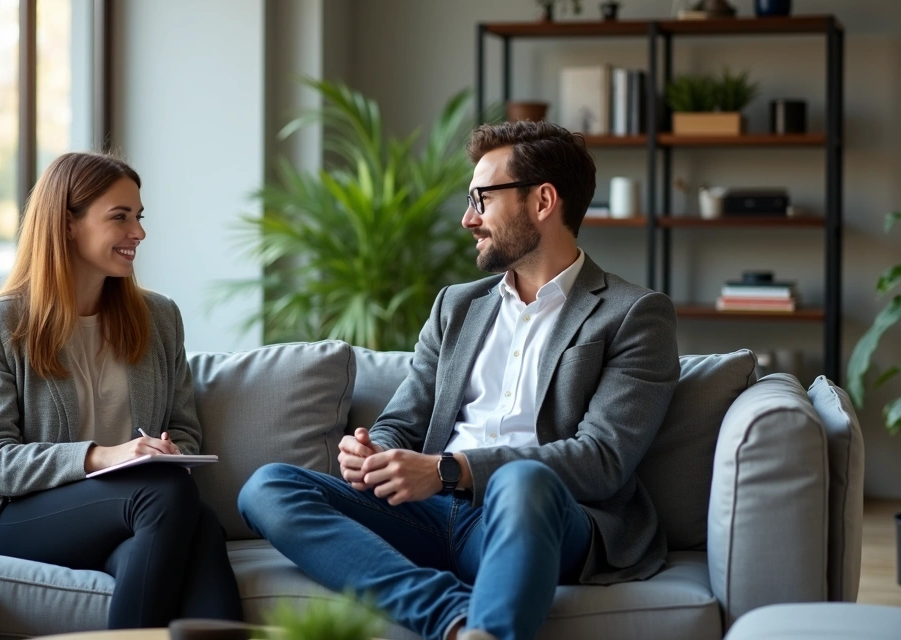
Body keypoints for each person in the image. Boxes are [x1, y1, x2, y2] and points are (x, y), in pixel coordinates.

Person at [238, 121, 680, 640]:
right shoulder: (457, 305)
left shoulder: (634, 314)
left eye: (481, 199)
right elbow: (403, 420)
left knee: (524, 481)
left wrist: (450, 470)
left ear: (542, 201)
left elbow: (602, 460)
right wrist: (374, 452)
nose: (468, 219)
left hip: (537, 515)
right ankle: (454, 619)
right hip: (429, 514)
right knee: (268, 486)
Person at [0, 151, 242, 629]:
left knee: (195, 521)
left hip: (139, 508)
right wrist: (105, 456)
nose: (138, 232)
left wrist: (167, 450)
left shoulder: (159, 319)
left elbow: (183, 426)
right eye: (120, 217)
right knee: (171, 498)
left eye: (138, 217)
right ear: (68, 224)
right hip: (20, 514)